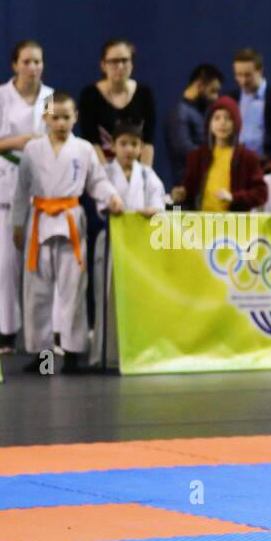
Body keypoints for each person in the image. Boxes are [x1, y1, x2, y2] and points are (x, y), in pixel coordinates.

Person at [11, 92, 123, 373]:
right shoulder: (33, 150)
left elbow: (97, 182)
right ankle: (44, 359)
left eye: (66, 117)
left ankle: (72, 355)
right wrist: (18, 223)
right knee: (38, 294)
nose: (60, 122)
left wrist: (111, 197)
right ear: (45, 117)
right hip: (40, 224)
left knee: (73, 290)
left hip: (71, 221)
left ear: (75, 117)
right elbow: (22, 190)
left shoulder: (84, 149)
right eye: (54, 117)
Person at [0, 40, 54, 354]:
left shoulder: (51, 97)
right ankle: (6, 332)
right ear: (14, 65)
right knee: (5, 267)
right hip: (5, 189)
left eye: (38, 62)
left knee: (42, 267)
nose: (33, 67)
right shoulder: (0, 96)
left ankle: (45, 337)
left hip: (44, 193)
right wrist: (21, 141)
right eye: (27, 62)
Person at [94, 119, 164, 369]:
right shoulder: (105, 172)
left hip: (139, 244)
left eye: (135, 144)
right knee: (108, 296)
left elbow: (159, 201)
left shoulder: (147, 174)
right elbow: (100, 200)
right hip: (112, 242)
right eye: (123, 144)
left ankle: (139, 351)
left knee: (139, 297)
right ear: (112, 145)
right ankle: (106, 355)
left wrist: (153, 209)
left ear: (142, 147)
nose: (129, 150)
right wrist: (110, 205)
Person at [170, 96, 268, 212]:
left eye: (228, 118)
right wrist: (178, 198)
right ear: (209, 124)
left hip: (234, 226)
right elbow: (187, 196)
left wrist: (234, 197)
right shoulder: (197, 157)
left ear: (236, 123)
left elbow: (261, 194)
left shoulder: (247, 157)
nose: (222, 123)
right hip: (201, 224)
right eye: (216, 118)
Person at [77, 39, 157, 166]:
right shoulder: (50, 98)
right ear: (103, 65)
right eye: (114, 61)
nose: (120, 66)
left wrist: (143, 176)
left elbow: (148, 141)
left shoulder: (48, 95)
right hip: (40, 152)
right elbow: (48, 125)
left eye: (125, 60)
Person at [164, 63, 223, 181]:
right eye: (213, 91)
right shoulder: (179, 113)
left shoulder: (200, 112)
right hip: (188, 187)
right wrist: (219, 156)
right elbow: (184, 150)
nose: (216, 97)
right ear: (199, 85)